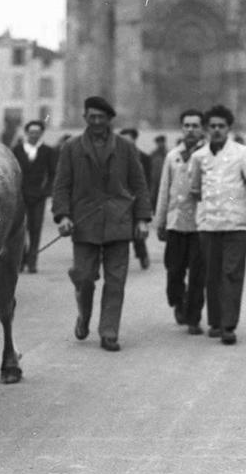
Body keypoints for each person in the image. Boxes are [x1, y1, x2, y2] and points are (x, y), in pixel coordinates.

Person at [52, 97, 151, 352]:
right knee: (84, 278)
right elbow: (61, 185)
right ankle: (84, 316)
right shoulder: (71, 148)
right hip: (84, 223)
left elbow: (139, 184)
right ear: (85, 118)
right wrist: (62, 215)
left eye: (102, 117)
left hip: (119, 221)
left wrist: (142, 219)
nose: (97, 122)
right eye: (92, 117)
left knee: (116, 280)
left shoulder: (126, 148)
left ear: (109, 120)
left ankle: (109, 331)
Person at [188, 105, 246, 345]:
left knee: (231, 274)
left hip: (236, 223)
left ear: (229, 128)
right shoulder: (198, 157)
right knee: (212, 276)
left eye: (221, 126)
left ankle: (228, 325)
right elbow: (195, 189)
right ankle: (215, 321)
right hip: (208, 225)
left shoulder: (243, 153)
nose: (216, 130)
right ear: (206, 129)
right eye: (212, 126)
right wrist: (204, 211)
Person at [154, 109, 207, 335]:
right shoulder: (173, 156)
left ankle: (193, 317)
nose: (191, 130)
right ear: (181, 128)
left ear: (202, 128)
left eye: (195, 125)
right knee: (174, 270)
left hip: (199, 224)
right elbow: (164, 189)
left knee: (197, 273)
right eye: (187, 125)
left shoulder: (208, 155)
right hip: (175, 222)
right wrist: (160, 221)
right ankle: (178, 301)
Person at [13, 120, 58, 273]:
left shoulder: (47, 151)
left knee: (35, 229)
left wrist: (46, 191)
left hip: (38, 196)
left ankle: (32, 262)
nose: (34, 135)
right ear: (27, 133)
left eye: (37, 133)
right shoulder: (17, 150)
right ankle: (20, 261)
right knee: (20, 229)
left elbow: (53, 174)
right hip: (20, 196)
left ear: (41, 134)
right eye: (31, 132)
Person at [118, 127, 151, 270]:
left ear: (134, 141)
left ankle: (142, 255)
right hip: (119, 201)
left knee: (137, 231)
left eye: (129, 141)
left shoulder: (144, 157)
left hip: (136, 201)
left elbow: (147, 182)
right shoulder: (114, 158)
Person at [149, 134, 168, 209]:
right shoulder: (153, 154)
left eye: (161, 142)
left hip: (165, 179)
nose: (160, 144)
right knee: (153, 197)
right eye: (158, 142)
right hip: (154, 180)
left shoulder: (168, 154)